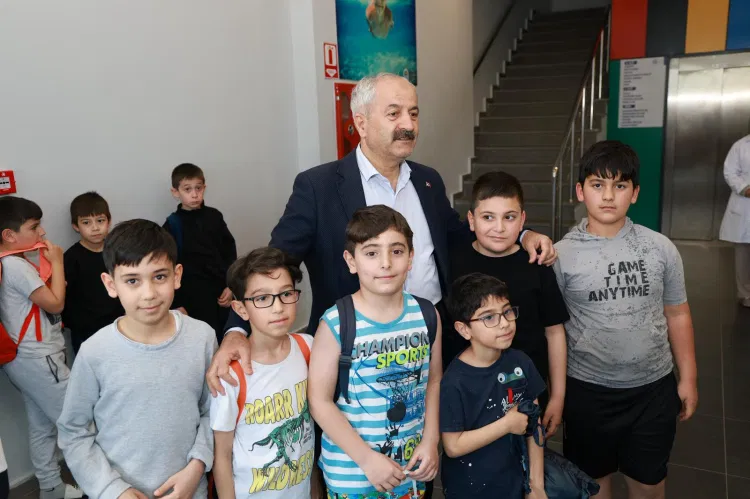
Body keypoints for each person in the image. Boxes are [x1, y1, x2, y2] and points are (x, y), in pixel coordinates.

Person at [210, 73, 555, 499]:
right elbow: (275, 261)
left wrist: (525, 234)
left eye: (413, 113)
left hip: (427, 342)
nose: (407, 124)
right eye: (393, 113)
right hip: (354, 365)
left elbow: (460, 234)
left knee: (429, 462)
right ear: (360, 121)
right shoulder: (318, 186)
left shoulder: (427, 181)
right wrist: (236, 327)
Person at [553, 141, 698, 499]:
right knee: (593, 486)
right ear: (580, 191)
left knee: (648, 485)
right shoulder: (560, 256)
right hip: (588, 392)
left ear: (634, 193)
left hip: (652, 390)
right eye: (597, 185)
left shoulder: (660, 248)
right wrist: (557, 394)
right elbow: (552, 331)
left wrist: (689, 377)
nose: (608, 196)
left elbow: (678, 313)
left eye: (619, 185)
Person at [57, 219, 216, 499]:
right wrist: (112, 490)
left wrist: (198, 465)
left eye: (160, 277)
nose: (149, 293)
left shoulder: (202, 337)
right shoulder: (95, 352)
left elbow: (212, 411)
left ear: (177, 276)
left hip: (191, 489)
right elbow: (74, 432)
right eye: (132, 281)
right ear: (110, 284)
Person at [308, 205, 441, 498]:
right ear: (351, 261)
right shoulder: (336, 322)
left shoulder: (427, 315)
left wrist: (431, 441)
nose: (385, 263)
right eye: (371, 253)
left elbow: (433, 381)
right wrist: (367, 460)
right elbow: (319, 401)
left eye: (397, 251)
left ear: (411, 257)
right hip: (353, 477)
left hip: (410, 472)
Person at [448, 172, 568, 435]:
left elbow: (554, 331)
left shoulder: (536, 264)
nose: (499, 228)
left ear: (523, 220)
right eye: (488, 217)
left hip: (528, 390)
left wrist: (558, 395)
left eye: (509, 217)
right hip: (471, 394)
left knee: (530, 451)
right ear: (471, 220)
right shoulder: (454, 262)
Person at [210, 247, 315, 499]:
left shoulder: (308, 348)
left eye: (286, 294)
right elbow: (221, 456)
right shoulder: (231, 375)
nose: (278, 307)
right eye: (262, 298)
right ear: (241, 309)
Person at [0, 197, 82, 499]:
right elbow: (56, 303)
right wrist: (57, 262)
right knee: (79, 422)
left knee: (42, 426)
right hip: (39, 358)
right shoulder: (15, 266)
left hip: (23, 359)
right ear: (9, 235)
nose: (42, 232)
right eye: (34, 227)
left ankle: (51, 488)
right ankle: (101, 486)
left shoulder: (8, 263)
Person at [440, 273, 546, 498]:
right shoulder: (454, 381)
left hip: (516, 483)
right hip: (470, 490)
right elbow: (453, 446)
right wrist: (506, 424)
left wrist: (536, 485)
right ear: (464, 329)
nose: (505, 323)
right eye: (489, 317)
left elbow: (534, 425)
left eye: (507, 312)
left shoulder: (521, 362)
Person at [164, 163, 237, 340]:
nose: (194, 194)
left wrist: (231, 285)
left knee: (226, 336)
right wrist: (177, 303)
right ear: (175, 192)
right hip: (192, 297)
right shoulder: (172, 225)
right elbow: (168, 266)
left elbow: (229, 252)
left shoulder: (215, 216)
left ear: (204, 188)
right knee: (201, 340)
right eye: (187, 189)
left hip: (220, 291)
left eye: (198, 188)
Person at [62, 192, 123, 353]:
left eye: (100, 221)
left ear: (109, 221)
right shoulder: (71, 258)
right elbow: (65, 299)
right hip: (86, 332)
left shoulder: (118, 252)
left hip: (120, 326)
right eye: (86, 222)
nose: (95, 228)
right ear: (76, 226)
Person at [719, 129, 750, 308]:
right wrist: (745, 189)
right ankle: (745, 293)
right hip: (745, 204)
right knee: (743, 253)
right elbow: (730, 172)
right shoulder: (740, 146)